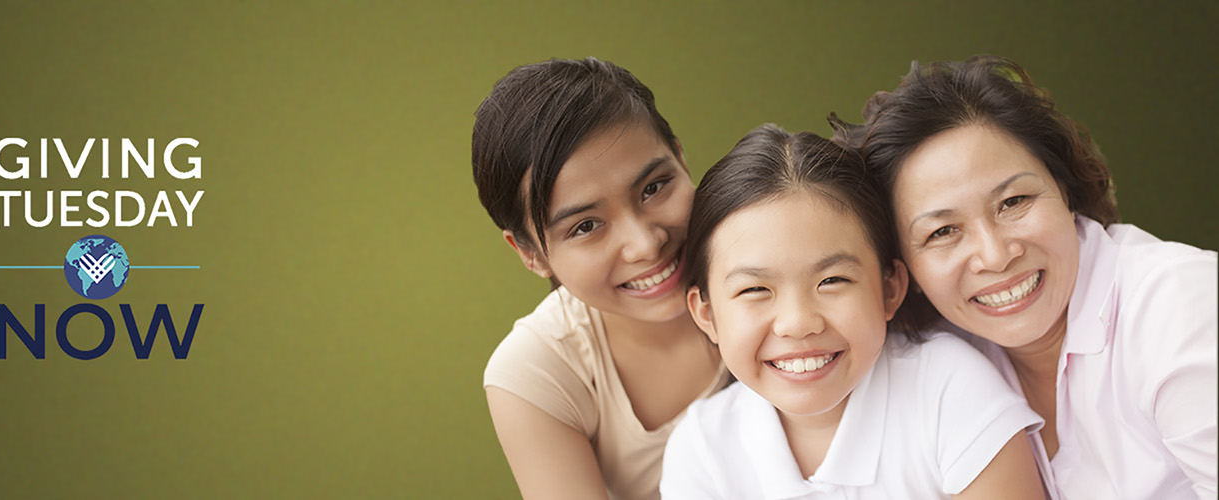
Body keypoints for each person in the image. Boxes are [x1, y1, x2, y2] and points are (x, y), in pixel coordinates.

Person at [850, 55, 1218, 499]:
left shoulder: (1181, 304)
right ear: (904, 267)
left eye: (1013, 201)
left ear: (1063, 187)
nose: (995, 255)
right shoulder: (944, 357)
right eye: (943, 231)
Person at [662, 124, 1047, 499]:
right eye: (755, 289)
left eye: (832, 281)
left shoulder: (949, 390)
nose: (798, 323)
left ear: (889, 288)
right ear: (707, 315)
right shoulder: (702, 449)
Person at [472, 57, 729, 500]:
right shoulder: (539, 370)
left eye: (653, 187)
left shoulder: (772, 265)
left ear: (680, 157)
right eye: (586, 226)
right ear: (530, 254)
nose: (645, 244)